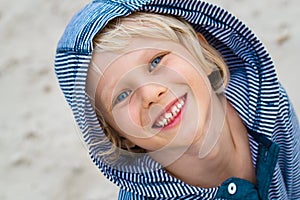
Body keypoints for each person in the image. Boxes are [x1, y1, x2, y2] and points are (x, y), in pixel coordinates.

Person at [54, 0, 300, 199]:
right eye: (122, 95)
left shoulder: (266, 104)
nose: (150, 94)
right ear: (116, 134)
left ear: (201, 52)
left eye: (157, 60)